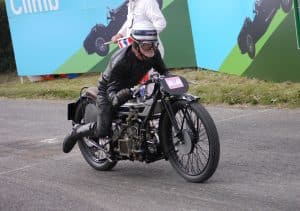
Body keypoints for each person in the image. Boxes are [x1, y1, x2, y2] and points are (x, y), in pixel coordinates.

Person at [62, 23, 169, 154]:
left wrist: (173, 80)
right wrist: (122, 94)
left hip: (130, 87)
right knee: (103, 130)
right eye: (146, 45)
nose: (151, 49)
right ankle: (76, 132)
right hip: (107, 90)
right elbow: (111, 93)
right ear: (135, 44)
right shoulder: (121, 61)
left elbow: (164, 72)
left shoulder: (152, 52)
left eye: (153, 44)